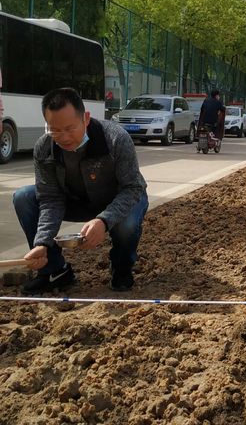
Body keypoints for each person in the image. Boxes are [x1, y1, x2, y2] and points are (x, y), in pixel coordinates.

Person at [13, 87, 148, 293]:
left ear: (85, 118)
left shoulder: (115, 139)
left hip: (121, 197)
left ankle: (122, 267)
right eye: (55, 130)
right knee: (24, 197)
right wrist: (43, 243)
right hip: (76, 200)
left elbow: (132, 187)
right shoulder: (44, 147)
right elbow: (50, 198)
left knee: (127, 224)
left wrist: (104, 221)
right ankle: (55, 271)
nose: (64, 137)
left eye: (70, 128)